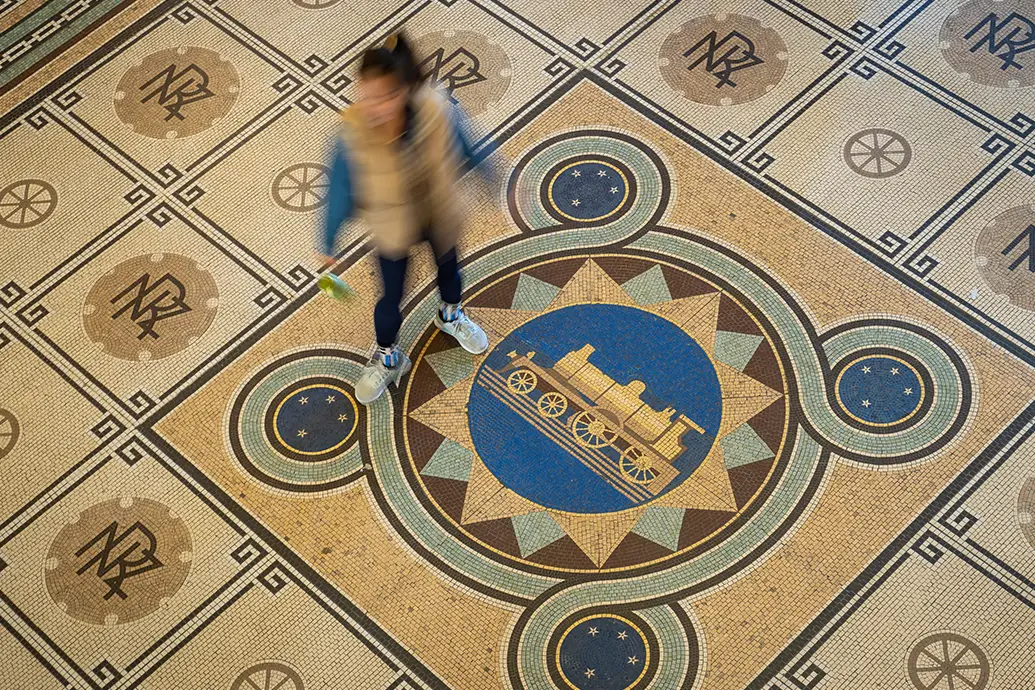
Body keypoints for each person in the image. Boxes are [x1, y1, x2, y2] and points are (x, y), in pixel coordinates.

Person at [318, 32, 495, 405]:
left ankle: (450, 316)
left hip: (439, 212)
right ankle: (388, 357)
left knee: (450, 273)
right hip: (392, 226)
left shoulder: (436, 109)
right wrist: (328, 241)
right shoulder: (352, 136)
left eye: (385, 96)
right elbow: (338, 188)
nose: (375, 106)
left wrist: (495, 181)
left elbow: (468, 146)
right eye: (367, 96)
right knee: (389, 299)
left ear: (404, 91)